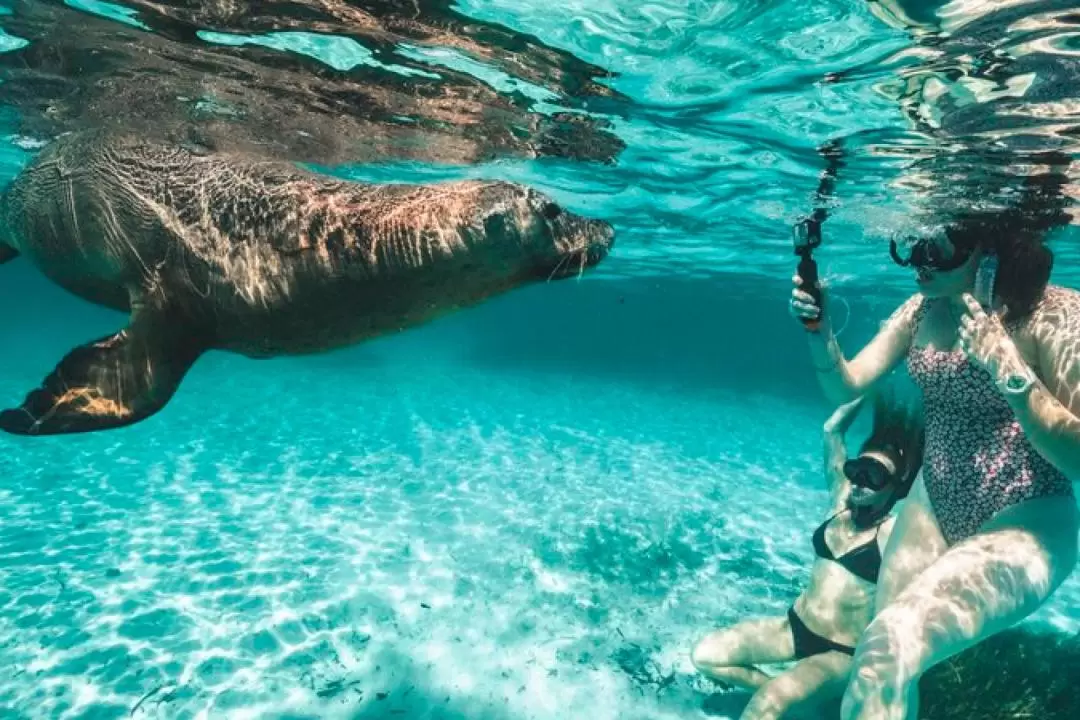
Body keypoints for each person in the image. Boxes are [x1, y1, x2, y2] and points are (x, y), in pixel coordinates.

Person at [789, 178, 1080, 720]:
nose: (919, 261)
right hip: (932, 505)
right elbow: (848, 385)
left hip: (1029, 513)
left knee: (891, 646)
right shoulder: (922, 308)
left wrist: (1013, 377)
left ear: (987, 251)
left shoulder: (1055, 316)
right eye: (913, 244)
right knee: (883, 649)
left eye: (938, 248)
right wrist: (819, 330)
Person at [691, 383, 925, 719]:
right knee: (705, 655)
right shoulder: (841, 501)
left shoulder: (895, 531)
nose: (860, 481)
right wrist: (866, 382)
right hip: (795, 628)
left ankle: (792, 698)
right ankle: (804, 705)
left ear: (896, 485)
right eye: (858, 470)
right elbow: (832, 430)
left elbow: (927, 494)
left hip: (840, 655)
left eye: (874, 475)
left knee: (765, 707)